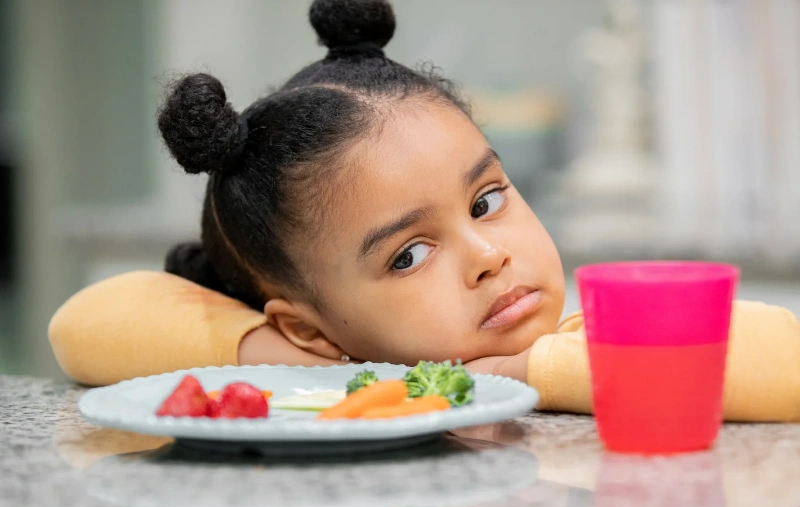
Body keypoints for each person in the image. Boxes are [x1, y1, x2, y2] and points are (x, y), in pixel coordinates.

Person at [49, 0, 800, 422]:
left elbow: (787, 362)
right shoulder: (351, 376)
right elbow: (82, 324)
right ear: (310, 326)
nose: (487, 255)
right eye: (408, 254)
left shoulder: (578, 341)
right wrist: (322, 364)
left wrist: (524, 370)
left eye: (487, 199)